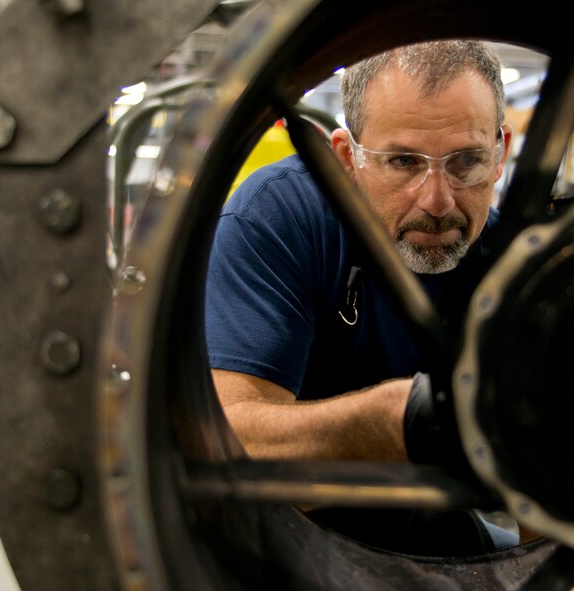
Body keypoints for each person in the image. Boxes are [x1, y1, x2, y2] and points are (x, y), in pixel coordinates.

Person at [205, 40, 516, 554]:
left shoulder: (512, 266)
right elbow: (231, 439)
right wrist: (391, 421)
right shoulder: (279, 219)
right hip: (284, 532)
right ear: (347, 158)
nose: (438, 201)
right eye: (402, 162)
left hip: (427, 525)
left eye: (466, 163)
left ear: (500, 154)